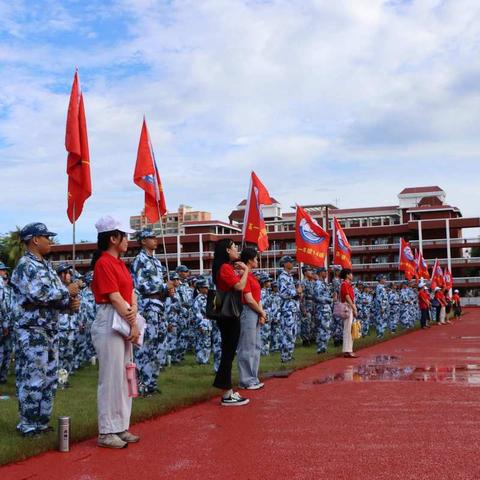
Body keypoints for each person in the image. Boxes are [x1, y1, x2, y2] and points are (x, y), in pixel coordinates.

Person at [10, 222, 79, 436]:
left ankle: (41, 422)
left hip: (49, 330)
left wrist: (68, 304)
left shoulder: (46, 266)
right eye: (46, 236)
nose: (50, 240)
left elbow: (56, 296)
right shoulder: (25, 265)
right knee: (33, 377)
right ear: (35, 239)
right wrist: (66, 292)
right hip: (32, 331)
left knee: (49, 378)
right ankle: (28, 425)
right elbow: (38, 294)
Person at [90, 215, 140, 449]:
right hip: (110, 317)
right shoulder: (103, 263)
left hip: (123, 317)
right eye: (124, 236)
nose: (127, 240)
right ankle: (106, 431)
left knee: (124, 376)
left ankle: (120, 426)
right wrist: (133, 323)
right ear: (113, 238)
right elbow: (114, 297)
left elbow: (130, 294)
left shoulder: (120, 263)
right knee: (110, 377)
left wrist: (134, 320)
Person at [211, 238, 249, 406]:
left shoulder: (223, 267)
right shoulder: (224, 267)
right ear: (227, 250)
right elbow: (239, 287)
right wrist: (246, 270)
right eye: (234, 248)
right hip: (229, 314)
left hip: (225, 313)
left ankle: (225, 387)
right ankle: (227, 393)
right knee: (228, 351)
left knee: (228, 351)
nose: (237, 251)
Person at [130, 228, 166, 396]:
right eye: (151, 237)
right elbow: (140, 285)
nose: (155, 240)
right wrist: (165, 287)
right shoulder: (140, 260)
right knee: (145, 346)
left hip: (159, 304)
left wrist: (167, 290)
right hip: (147, 305)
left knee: (158, 346)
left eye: (155, 237)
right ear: (143, 241)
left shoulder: (157, 261)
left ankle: (151, 382)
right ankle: (142, 384)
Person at [237, 247, 266, 390]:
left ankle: (253, 378)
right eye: (255, 258)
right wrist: (261, 312)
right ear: (249, 260)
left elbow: (257, 297)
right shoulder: (243, 275)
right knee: (247, 347)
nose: (257, 261)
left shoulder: (252, 276)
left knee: (255, 346)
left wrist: (261, 313)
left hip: (255, 312)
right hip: (248, 311)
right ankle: (246, 380)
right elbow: (248, 299)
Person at [277, 256, 299, 363]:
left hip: (292, 308)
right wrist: (296, 292)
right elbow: (283, 293)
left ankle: (289, 355)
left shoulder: (289, 277)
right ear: (285, 264)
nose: (292, 263)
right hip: (287, 309)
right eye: (290, 262)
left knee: (293, 333)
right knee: (287, 333)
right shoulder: (283, 277)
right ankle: (285, 357)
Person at [312, 267, 333, 354]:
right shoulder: (318, 284)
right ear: (320, 273)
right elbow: (317, 297)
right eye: (324, 271)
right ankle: (320, 348)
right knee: (322, 329)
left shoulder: (324, 283)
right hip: (321, 310)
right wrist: (329, 299)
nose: (326, 273)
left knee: (326, 329)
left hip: (326, 310)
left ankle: (323, 348)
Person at [191, 278, 212, 364]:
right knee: (202, 342)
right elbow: (197, 313)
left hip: (207, 322)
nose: (206, 289)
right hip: (203, 322)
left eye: (207, 287)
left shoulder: (206, 297)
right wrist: (201, 324)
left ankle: (204, 359)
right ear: (199, 288)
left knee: (206, 342)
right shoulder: (199, 299)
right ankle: (201, 360)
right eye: (204, 287)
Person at [0, 262, 14, 385]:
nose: (5, 273)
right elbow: (3, 306)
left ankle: (3, 377)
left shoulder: (9, 290)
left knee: (8, 351)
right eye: (3, 270)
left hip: (9, 324)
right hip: (3, 323)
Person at [340, 268, 358, 358]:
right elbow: (347, 296)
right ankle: (347, 350)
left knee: (350, 329)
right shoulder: (344, 284)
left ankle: (349, 349)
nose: (352, 275)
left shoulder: (348, 285)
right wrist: (353, 307)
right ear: (347, 275)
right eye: (351, 274)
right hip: (347, 307)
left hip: (350, 306)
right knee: (347, 329)